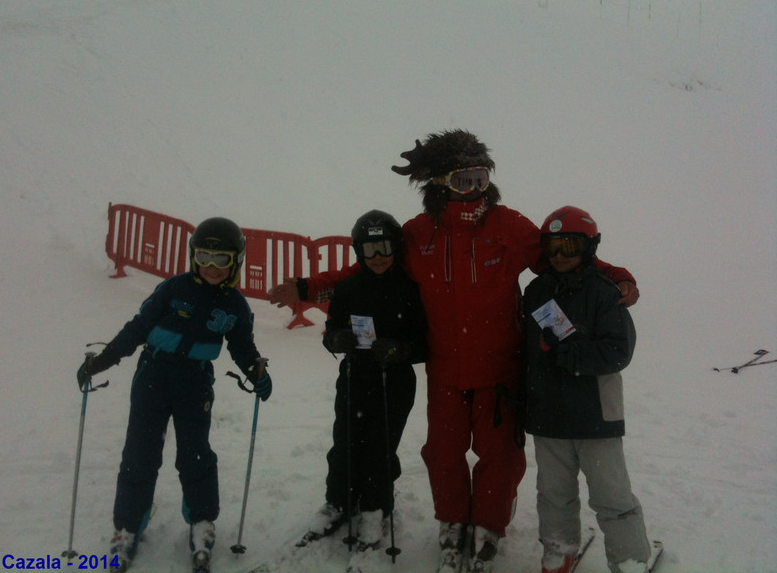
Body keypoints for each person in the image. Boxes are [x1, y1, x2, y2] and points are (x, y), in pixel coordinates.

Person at [268, 130, 639, 573]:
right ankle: (451, 524)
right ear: (440, 183)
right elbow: (363, 270)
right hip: (445, 368)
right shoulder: (418, 234)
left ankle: (487, 526)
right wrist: (310, 287)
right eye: (463, 181)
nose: (474, 190)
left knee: (498, 454)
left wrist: (616, 274)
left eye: (481, 178)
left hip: (501, 369)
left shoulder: (509, 226)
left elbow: (565, 256)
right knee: (442, 453)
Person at [75, 217, 273, 573]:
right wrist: (105, 359)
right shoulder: (173, 288)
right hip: (154, 373)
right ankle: (128, 526)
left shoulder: (235, 305)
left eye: (221, 259)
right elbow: (138, 327)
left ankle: (201, 522)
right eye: (205, 257)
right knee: (141, 450)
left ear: (236, 262)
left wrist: (255, 370)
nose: (211, 267)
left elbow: (242, 346)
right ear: (193, 256)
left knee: (196, 452)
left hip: (195, 381)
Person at [523, 206, 650, 573]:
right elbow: (525, 349)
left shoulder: (603, 292)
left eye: (570, 246)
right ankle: (559, 548)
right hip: (548, 412)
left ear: (589, 247)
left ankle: (629, 557)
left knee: (611, 494)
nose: (559, 255)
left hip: (596, 414)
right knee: (554, 494)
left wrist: (570, 353)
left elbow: (619, 350)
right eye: (552, 246)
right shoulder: (536, 290)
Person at [300, 210, 428, 568]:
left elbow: (425, 341)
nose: (378, 257)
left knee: (380, 445)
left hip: (394, 381)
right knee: (346, 439)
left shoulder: (409, 289)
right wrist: (335, 339)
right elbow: (333, 326)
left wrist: (402, 350)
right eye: (370, 249)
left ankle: (375, 506)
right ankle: (339, 500)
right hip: (356, 376)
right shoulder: (349, 287)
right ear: (359, 251)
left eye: (384, 247)